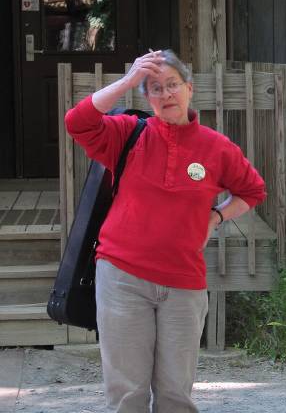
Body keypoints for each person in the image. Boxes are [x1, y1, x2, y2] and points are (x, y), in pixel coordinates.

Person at [65, 49, 266, 412]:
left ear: (189, 88)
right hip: (122, 278)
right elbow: (77, 122)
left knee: (176, 396)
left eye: (173, 85)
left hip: (184, 285)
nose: (166, 94)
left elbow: (253, 191)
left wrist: (216, 217)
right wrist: (126, 80)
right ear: (146, 97)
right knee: (127, 395)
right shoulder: (127, 134)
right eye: (155, 88)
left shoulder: (217, 148)